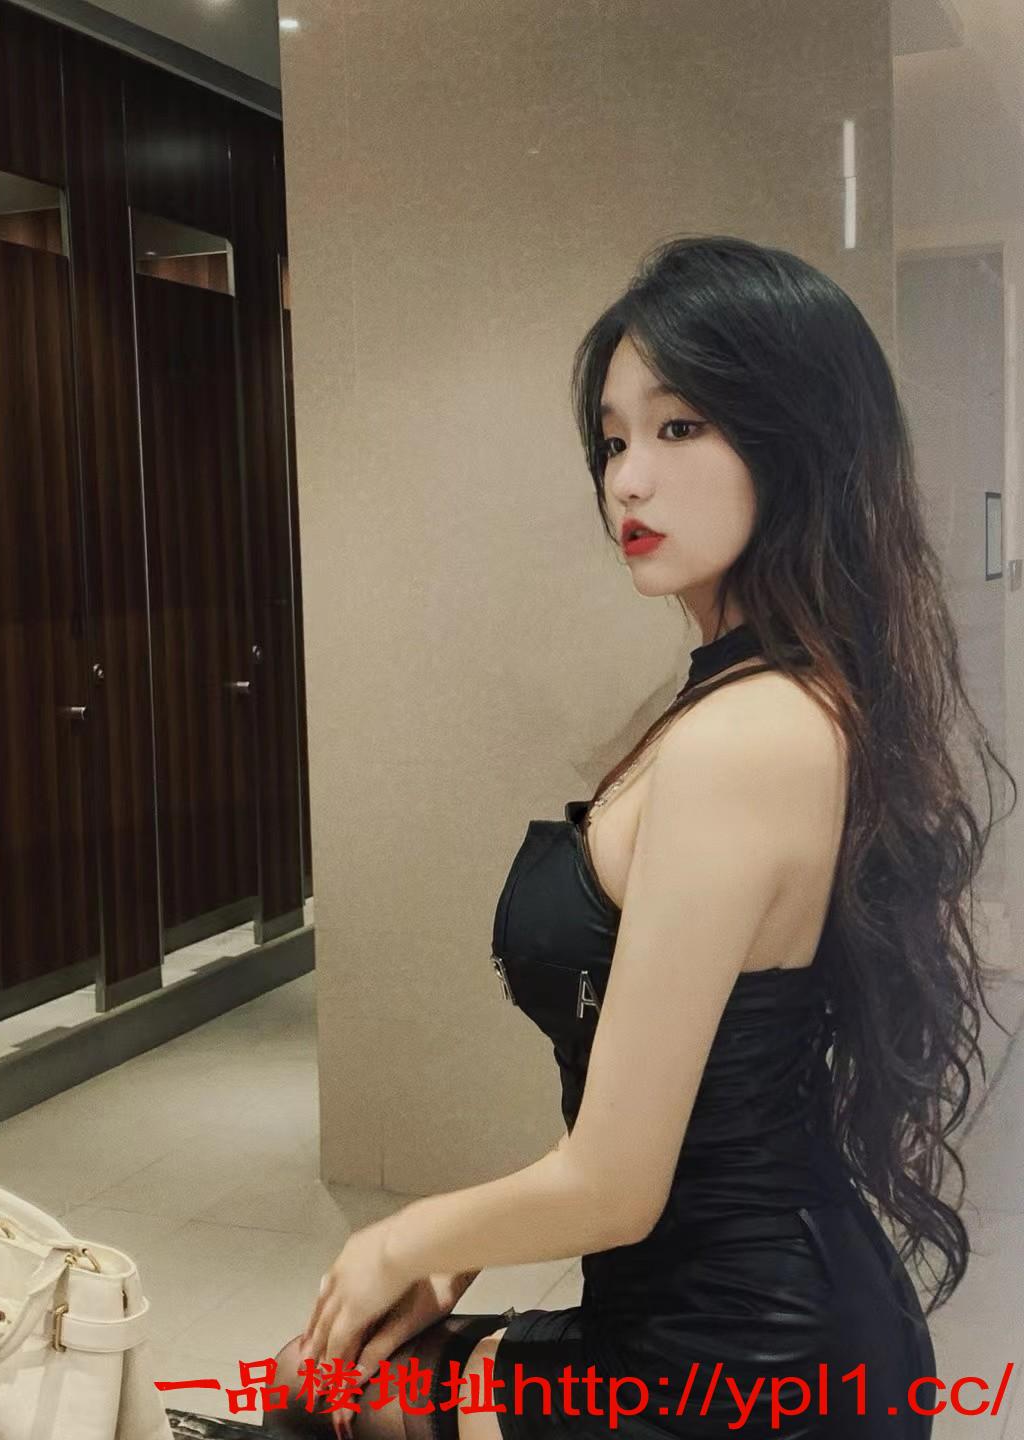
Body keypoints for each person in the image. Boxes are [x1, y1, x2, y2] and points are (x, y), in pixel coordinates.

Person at [260, 235, 1017, 1440]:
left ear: (796, 442)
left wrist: (405, 1237)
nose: (629, 480)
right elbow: (659, 1088)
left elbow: (615, 1183)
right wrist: (466, 1244)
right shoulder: (753, 695)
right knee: (320, 1393)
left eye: (680, 428)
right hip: (711, 1322)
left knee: (317, 1397)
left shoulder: (751, 736)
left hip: (749, 1364)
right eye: (614, 441)